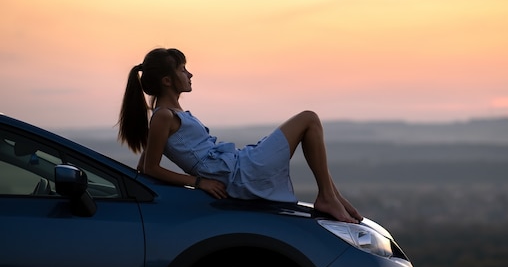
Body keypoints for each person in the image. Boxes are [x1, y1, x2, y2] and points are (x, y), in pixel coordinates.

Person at [118, 48, 362, 223]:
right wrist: (199, 183)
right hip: (239, 174)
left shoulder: (170, 113)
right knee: (309, 119)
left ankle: (333, 196)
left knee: (309, 120)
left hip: (239, 165)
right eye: (183, 70)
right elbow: (151, 168)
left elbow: (143, 164)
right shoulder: (163, 116)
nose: (190, 74)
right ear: (167, 81)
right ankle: (329, 197)